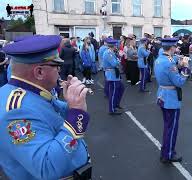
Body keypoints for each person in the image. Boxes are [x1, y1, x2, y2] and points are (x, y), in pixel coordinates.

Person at [0, 35, 91, 179]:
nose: (60, 71)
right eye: (57, 66)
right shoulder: (16, 111)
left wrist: (72, 104)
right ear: (39, 72)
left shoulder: (31, 91)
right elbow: (47, 167)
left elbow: (51, 114)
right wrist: (77, 113)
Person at [154, 38, 190, 163]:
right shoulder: (169, 63)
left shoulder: (160, 59)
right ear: (172, 48)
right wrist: (185, 68)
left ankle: (165, 151)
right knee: (172, 128)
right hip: (170, 99)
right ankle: (168, 154)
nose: (176, 49)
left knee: (167, 126)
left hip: (162, 94)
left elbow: (170, 67)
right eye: (175, 47)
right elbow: (179, 82)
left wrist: (178, 64)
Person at [103, 38, 124, 115]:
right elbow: (115, 64)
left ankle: (116, 104)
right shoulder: (108, 53)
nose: (117, 46)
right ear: (113, 45)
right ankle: (112, 109)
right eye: (116, 45)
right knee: (113, 92)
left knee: (121, 88)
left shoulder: (111, 52)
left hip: (114, 74)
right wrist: (120, 57)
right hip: (112, 75)